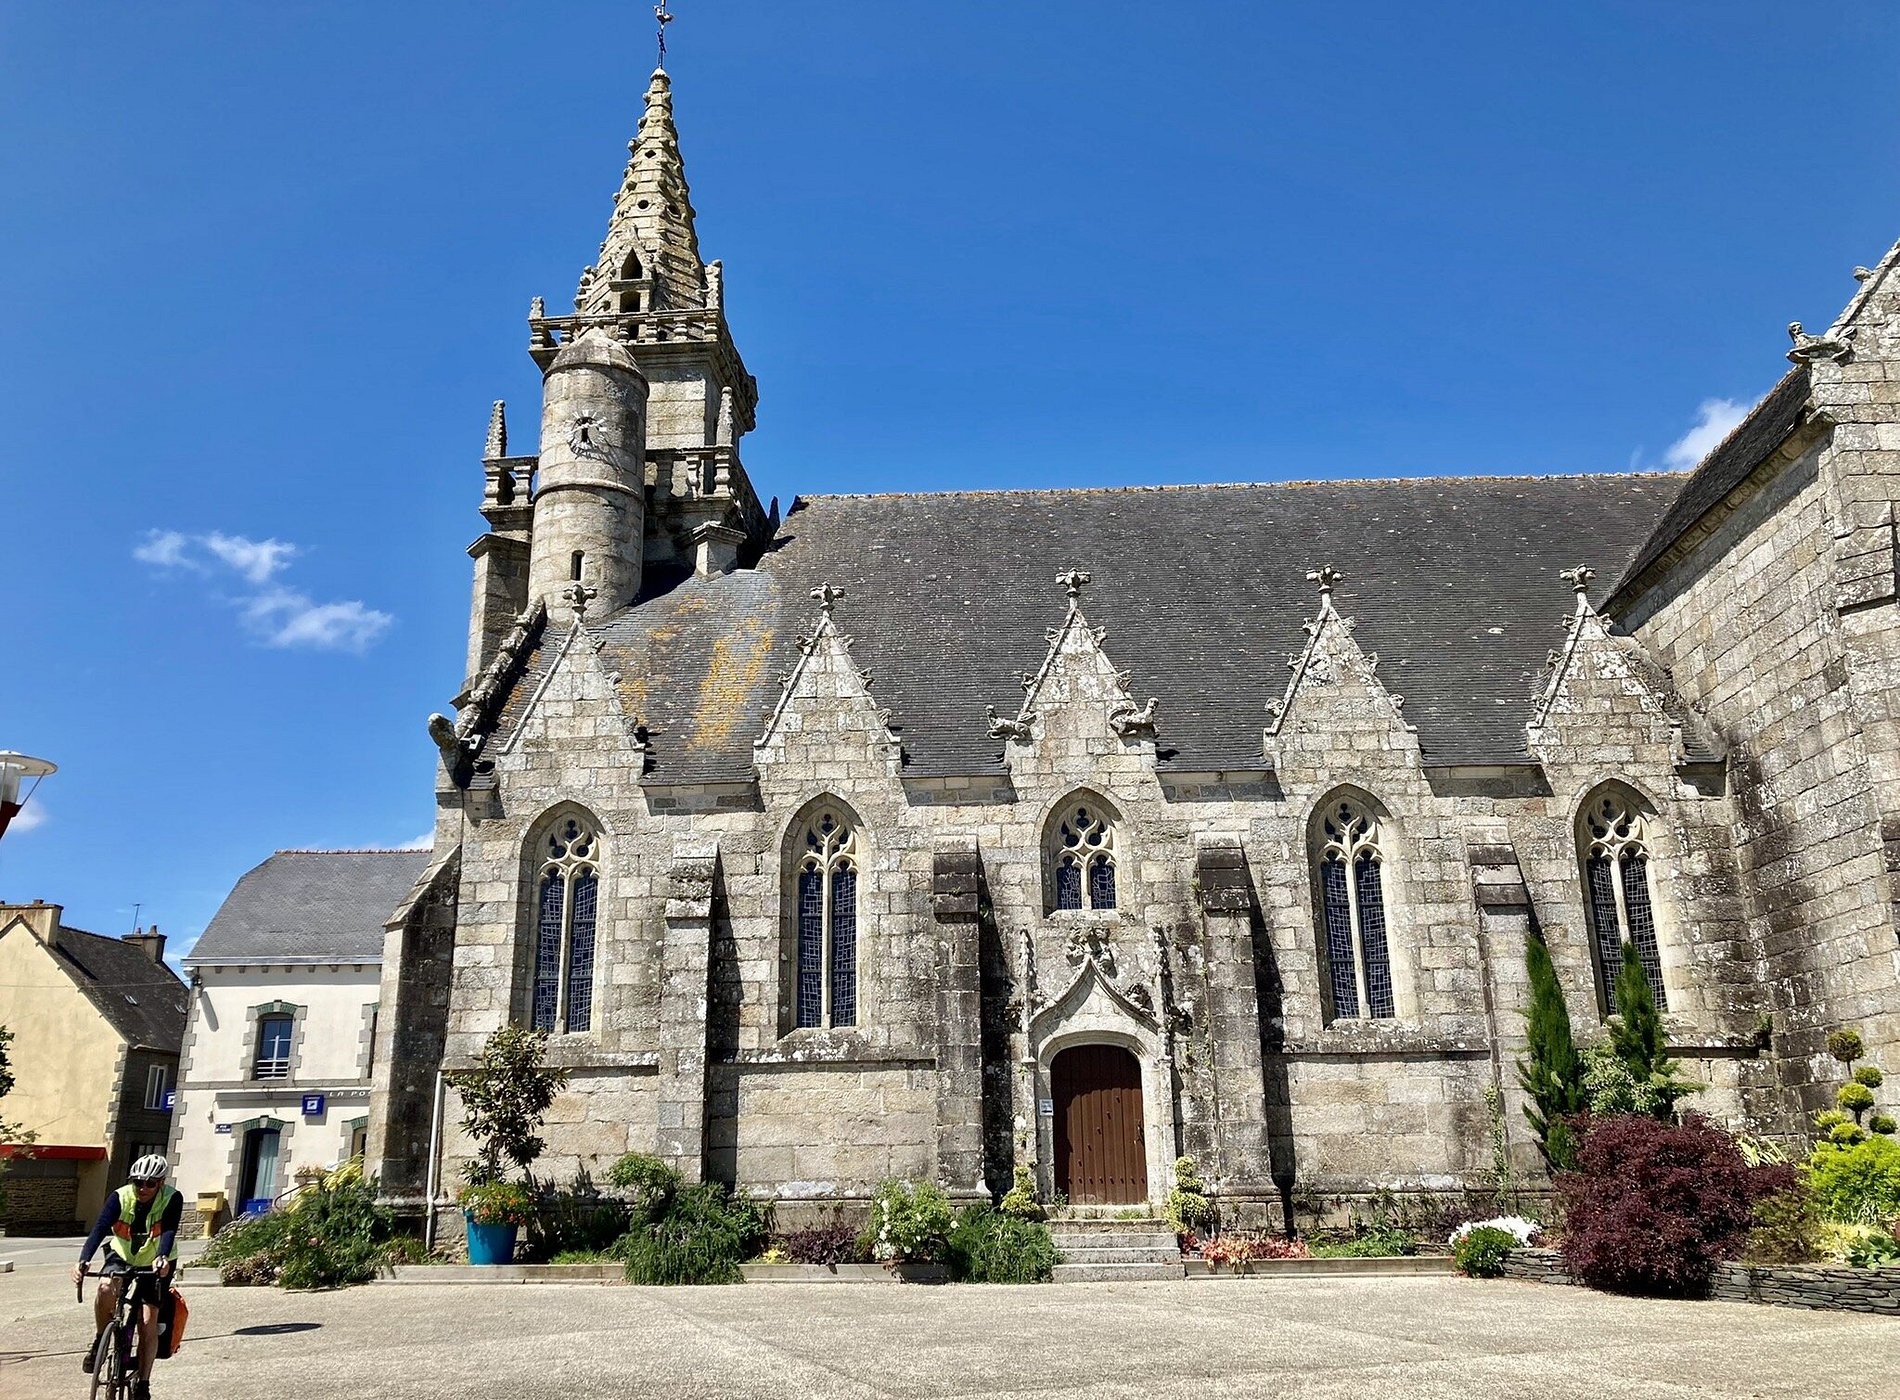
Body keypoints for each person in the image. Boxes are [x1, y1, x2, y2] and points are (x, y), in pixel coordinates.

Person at [73, 1153, 181, 1400]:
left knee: (147, 1320)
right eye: (138, 1182)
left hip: (156, 1260)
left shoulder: (172, 1198)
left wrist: (163, 1257)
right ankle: (101, 1337)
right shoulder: (120, 1197)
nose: (143, 1188)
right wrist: (83, 1259)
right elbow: (100, 1228)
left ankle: (143, 1382)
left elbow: (169, 1229)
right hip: (122, 1254)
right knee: (104, 1288)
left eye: (150, 1183)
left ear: (161, 1183)